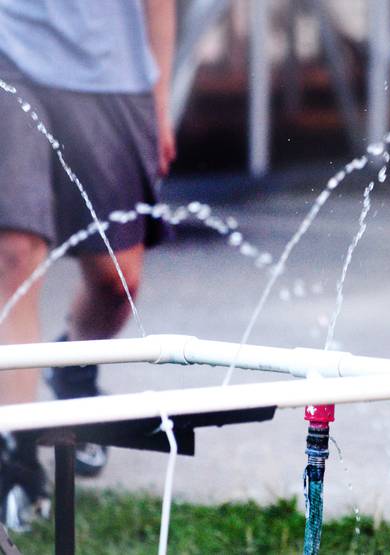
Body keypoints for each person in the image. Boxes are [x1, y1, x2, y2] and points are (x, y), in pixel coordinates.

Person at [0, 0, 175, 529]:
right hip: (11, 56)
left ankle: (71, 369)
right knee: (15, 256)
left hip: (113, 73)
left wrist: (160, 99)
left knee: (118, 281)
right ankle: (18, 452)